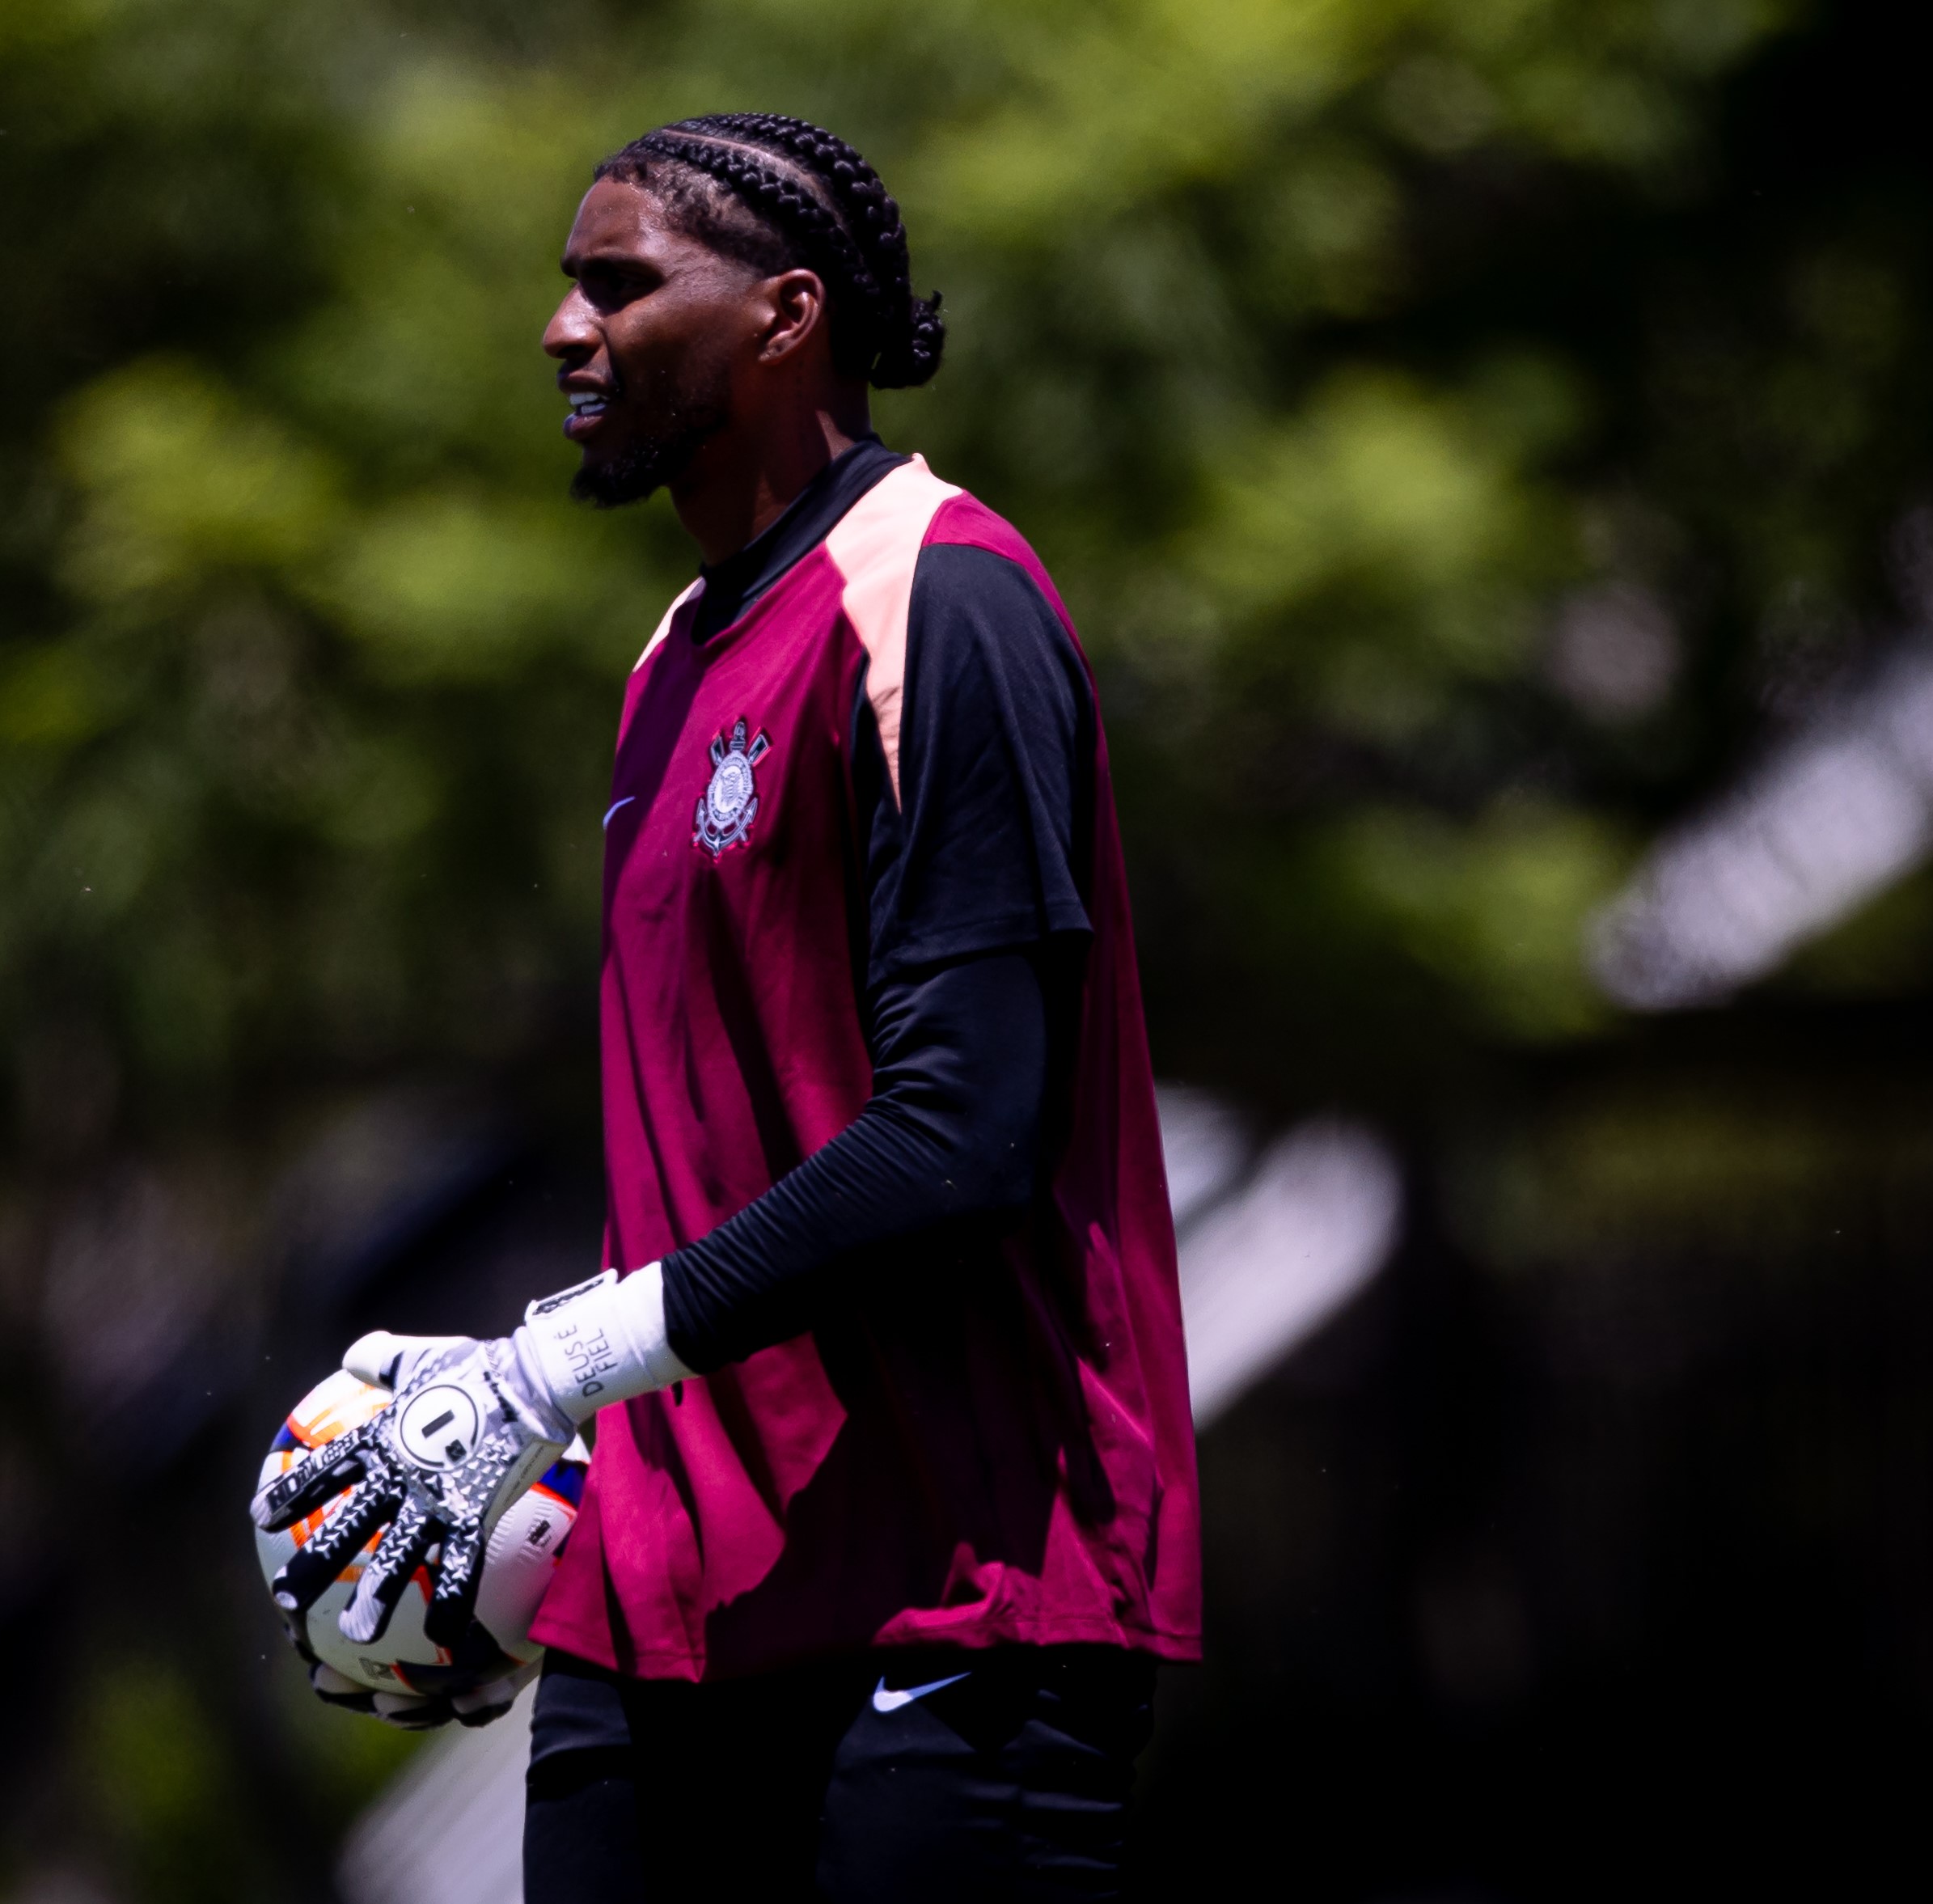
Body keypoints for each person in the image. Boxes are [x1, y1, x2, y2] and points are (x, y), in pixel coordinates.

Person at [255, 112, 1197, 1901]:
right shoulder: (665, 665)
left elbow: (959, 1134)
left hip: (961, 1589)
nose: (560, 328)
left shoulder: (945, 596)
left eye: (615, 283)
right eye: (562, 289)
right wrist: (540, 1472)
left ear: (784, 314)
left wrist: (553, 1360)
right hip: (663, 1606)